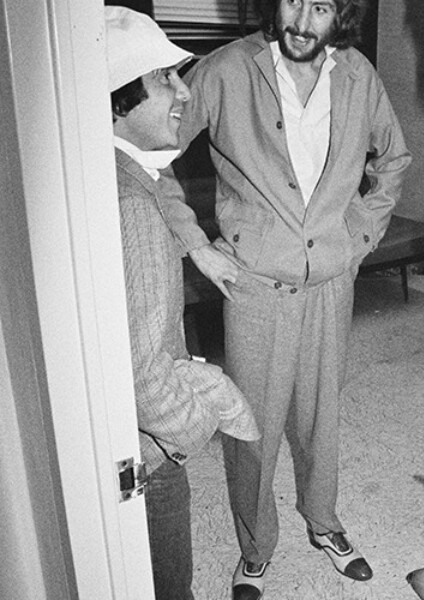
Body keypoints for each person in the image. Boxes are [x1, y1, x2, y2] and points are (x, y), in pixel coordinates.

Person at [157, 0, 411, 597]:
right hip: (254, 284)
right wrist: (197, 245)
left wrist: (359, 236)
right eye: (292, 0)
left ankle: (323, 522)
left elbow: (393, 159)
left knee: (322, 415)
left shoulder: (358, 75)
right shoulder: (223, 70)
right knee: (254, 424)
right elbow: (149, 150)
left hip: (330, 280)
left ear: (339, 13)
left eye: (319, 7)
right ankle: (255, 545)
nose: (300, 20)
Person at [104, 7, 259, 599]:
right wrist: (190, 433)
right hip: (149, 456)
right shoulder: (134, 212)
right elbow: (145, 378)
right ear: (120, 97)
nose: (182, 89)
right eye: (165, 77)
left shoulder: (116, 172)